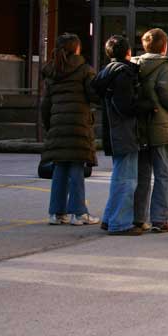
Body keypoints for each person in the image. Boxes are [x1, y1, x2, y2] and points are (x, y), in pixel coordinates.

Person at [93, 35, 155, 235]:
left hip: (115, 131)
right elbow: (126, 106)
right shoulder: (123, 74)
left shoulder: (107, 72)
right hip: (126, 131)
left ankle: (110, 218)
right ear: (128, 52)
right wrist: (147, 105)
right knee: (127, 179)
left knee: (120, 177)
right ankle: (120, 223)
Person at [133, 28, 168, 233]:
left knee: (141, 174)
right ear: (165, 46)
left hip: (139, 125)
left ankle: (138, 217)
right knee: (163, 174)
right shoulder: (167, 66)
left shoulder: (133, 64)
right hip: (161, 125)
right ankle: (159, 219)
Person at [41, 33, 99, 226]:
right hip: (78, 124)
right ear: (77, 48)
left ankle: (56, 213)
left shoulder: (52, 71)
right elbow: (93, 95)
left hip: (57, 124)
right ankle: (79, 213)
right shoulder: (84, 70)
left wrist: (50, 126)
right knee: (76, 168)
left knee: (60, 168)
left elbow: (45, 104)